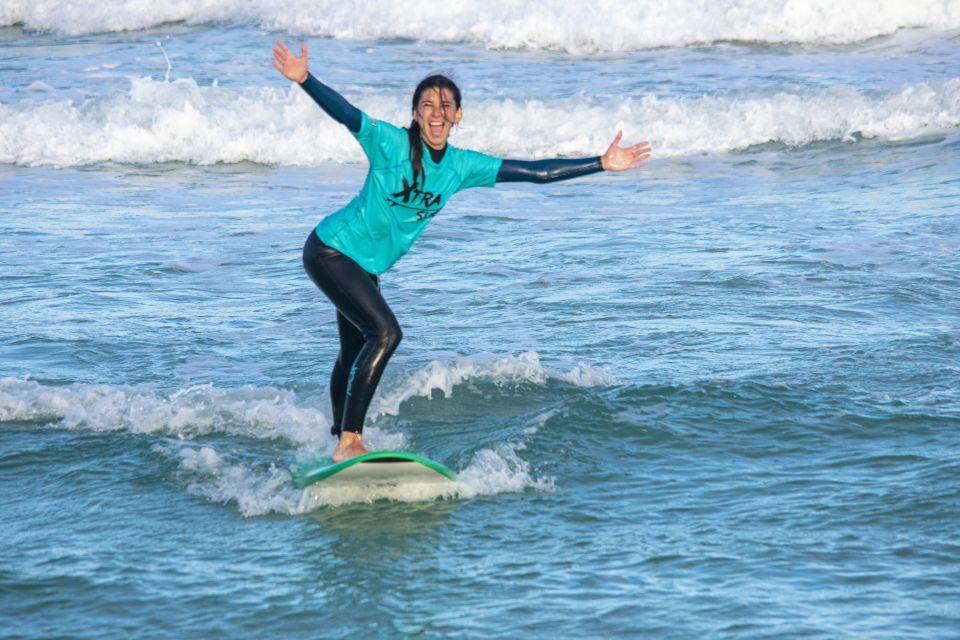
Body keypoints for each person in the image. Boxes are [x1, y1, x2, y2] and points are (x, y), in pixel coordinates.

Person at [271, 41, 651, 462]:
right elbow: (345, 112)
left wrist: (599, 162)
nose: (437, 112)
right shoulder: (389, 143)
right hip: (330, 250)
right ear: (415, 113)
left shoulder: (461, 166)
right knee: (385, 334)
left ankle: (337, 435)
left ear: (458, 116)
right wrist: (305, 79)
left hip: (365, 267)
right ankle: (350, 439)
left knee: (353, 351)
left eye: (446, 105)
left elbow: (535, 173)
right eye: (428, 105)